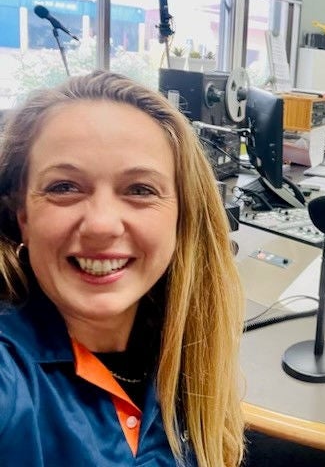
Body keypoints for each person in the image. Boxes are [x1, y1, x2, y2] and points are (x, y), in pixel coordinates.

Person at [0, 71, 244, 466]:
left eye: (140, 190)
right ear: (21, 214)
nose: (101, 225)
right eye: (64, 187)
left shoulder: (185, 349)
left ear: (183, 216)